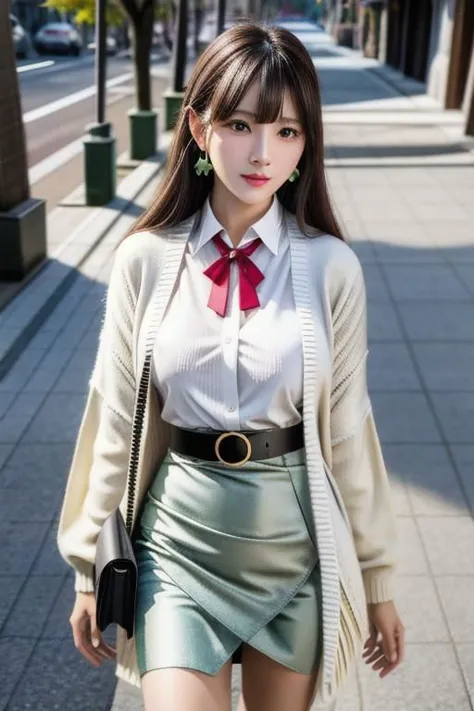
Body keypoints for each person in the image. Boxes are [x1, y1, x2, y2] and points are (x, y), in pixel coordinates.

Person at [57, 20, 404, 711]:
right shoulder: (145, 260)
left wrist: (377, 578)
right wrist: (87, 572)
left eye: (287, 131)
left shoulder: (331, 267)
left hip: (292, 546)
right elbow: (114, 422)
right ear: (197, 126)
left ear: (307, 146)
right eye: (241, 123)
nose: (262, 152)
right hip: (177, 546)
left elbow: (346, 434)